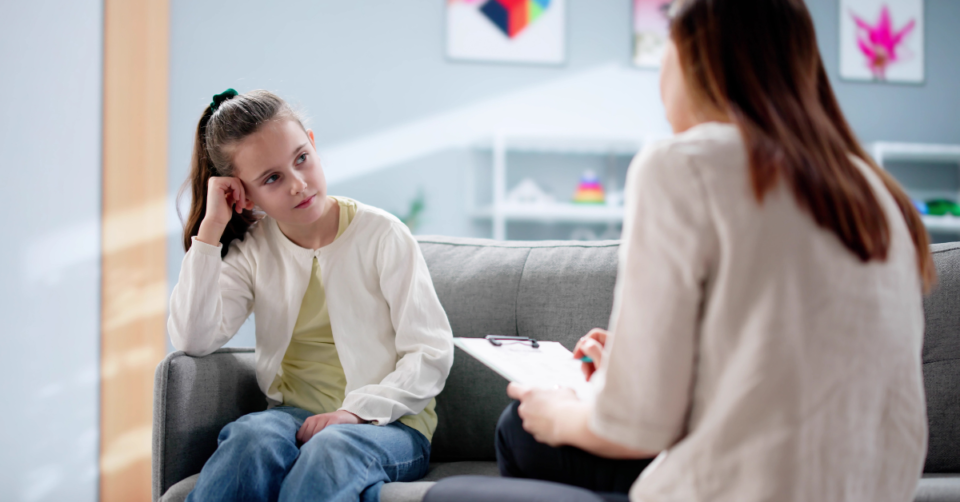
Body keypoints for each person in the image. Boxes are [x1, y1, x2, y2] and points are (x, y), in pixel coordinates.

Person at [425, 0, 934, 501]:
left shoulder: (684, 164)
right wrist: (627, 369)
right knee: (528, 431)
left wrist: (558, 413)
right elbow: (777, 384)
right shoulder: (877, 194)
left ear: (693, 58)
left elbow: (637, 427)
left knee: (508, 439)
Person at [168, 89, 454, 502]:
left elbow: (430, 352)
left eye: (301, 158)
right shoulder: (253, 249)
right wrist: (211, 227)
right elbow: (194, 338)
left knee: (331, 447)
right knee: (251, 437)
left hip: (386, 425)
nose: (299, 184)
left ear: (314, 144)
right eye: (272, 178)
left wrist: (353, 413)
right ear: (243, 195)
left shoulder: (384, 235)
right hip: (291, 417)